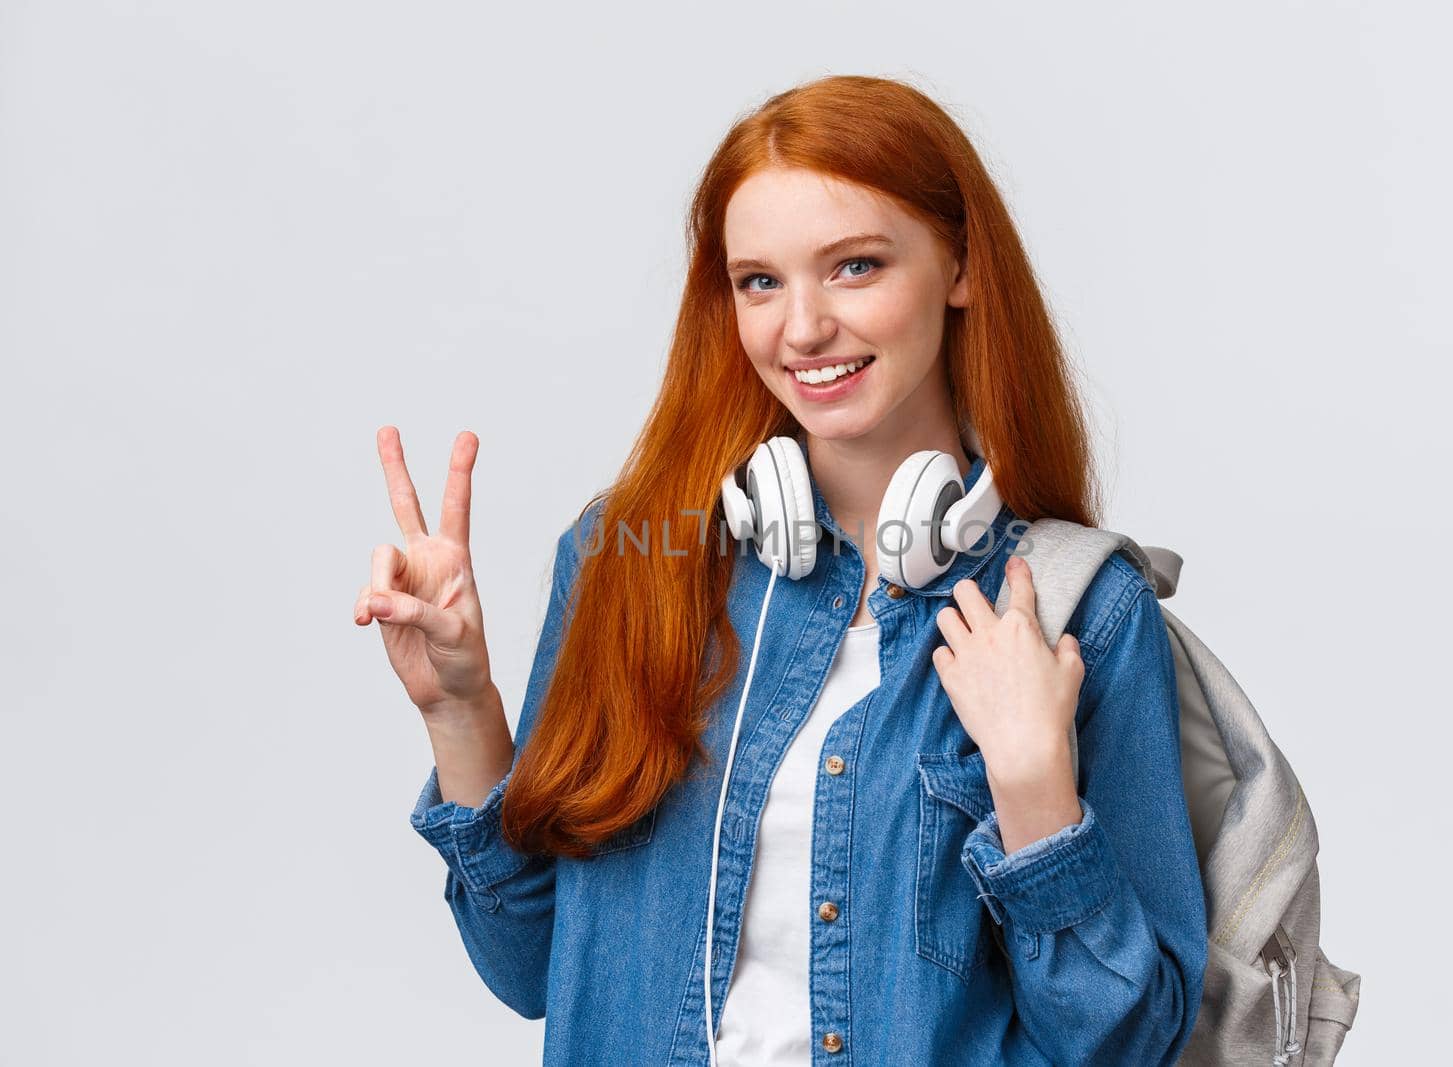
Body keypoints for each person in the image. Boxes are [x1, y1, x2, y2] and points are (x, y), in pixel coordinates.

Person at [355, 74, 1208, 1066]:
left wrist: (1033, 790)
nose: (800, 328)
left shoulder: (1076, 616)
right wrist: (459, 709)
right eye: (759, 280)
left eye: (853, 266)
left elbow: (1126, 1044)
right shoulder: (627, 563)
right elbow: (532, 966)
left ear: (961, 265)